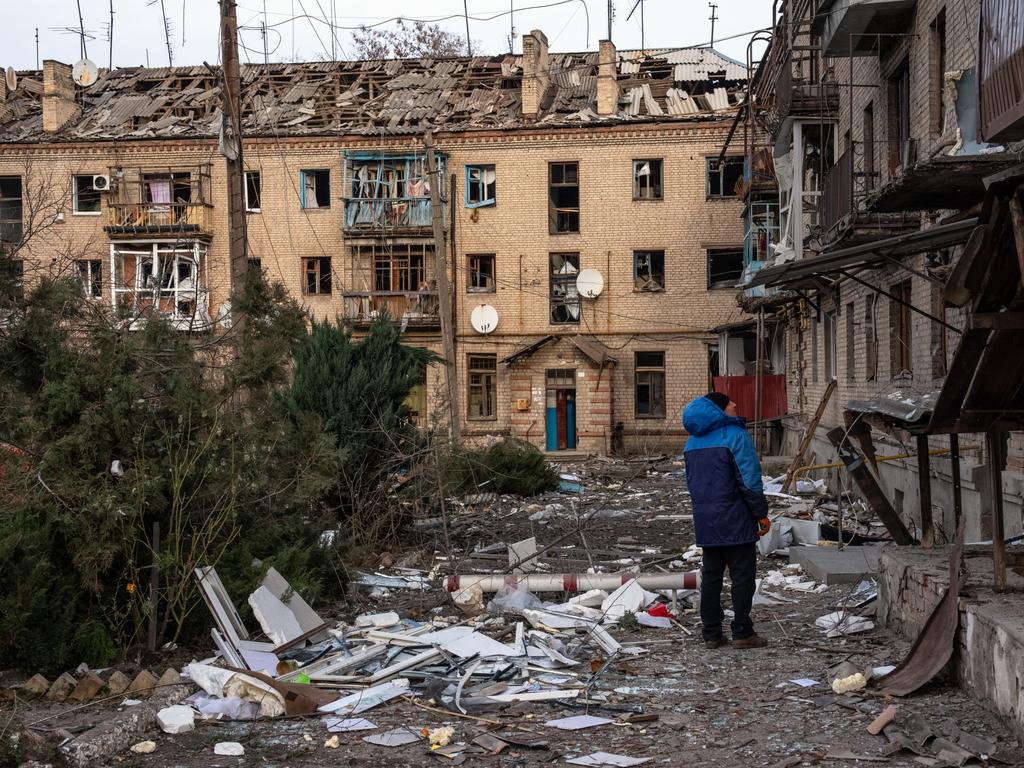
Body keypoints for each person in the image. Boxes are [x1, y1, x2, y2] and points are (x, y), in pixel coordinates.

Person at [682, 392, 771, 649]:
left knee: (711, 576)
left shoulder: (691, 443)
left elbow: (692, 484)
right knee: (742, 576)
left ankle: (711, 633)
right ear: (719, 409)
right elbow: (749, 480)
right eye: (729, 402)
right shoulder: (735, 436)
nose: (735, 404)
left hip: (706, 519)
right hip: (736, 517)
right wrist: (760, 514)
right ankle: (742, 631)